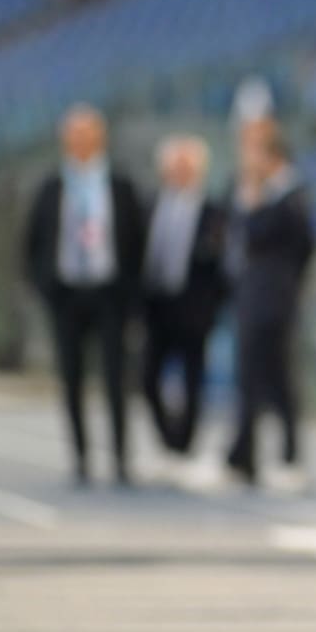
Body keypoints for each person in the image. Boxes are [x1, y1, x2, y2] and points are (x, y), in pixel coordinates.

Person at [21, 105, 145, 487]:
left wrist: (130, 293)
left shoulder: (120, 185)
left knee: (115, 377)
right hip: (67, 295)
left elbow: (137, 241)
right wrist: (45, 287)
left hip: (109, 294)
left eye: (87, 135)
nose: (80, 142)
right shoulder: (51, 187)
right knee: (71, 378)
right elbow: (32, 242)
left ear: (100, 138)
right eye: (74, 135)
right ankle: (80, 457)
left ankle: (121, 457)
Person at [221, 124, 316, 492]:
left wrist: (252, 203)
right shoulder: (267, 192)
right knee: (253, 378)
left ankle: (285, 456)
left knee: (277, 378)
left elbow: (273, 238)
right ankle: (242, 455)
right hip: (254, 296)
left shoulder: (289, 196)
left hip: (274, 299)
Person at [140, 136, 229, 460]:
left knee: (193, 380)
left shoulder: (214, 212)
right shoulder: (151, 205)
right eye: (175, 166)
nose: (180, 173)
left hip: (194, 308)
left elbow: (223, 265)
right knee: (147, 377)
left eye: (187, 167)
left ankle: (185, 445)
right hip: (158, 305)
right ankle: (168, 437)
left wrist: (214, 304)